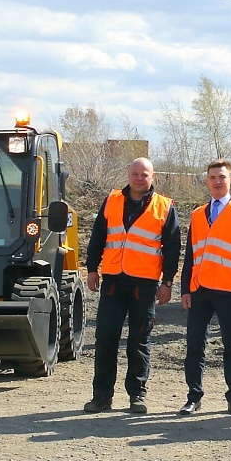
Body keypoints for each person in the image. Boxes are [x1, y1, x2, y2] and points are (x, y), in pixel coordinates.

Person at [84, 157, 181, 415]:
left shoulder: (164, 207)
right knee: (105, 339)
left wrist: (168, 282)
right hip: (114, 281)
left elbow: (173, 249)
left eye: (144, 174)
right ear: (128, 174)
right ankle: (101, 397)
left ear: (153, 177)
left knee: (139, 341)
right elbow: (97, 237)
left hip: (145, 285)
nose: (139, 178)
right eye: (135, 173)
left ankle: (137, 395)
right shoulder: (112, 200)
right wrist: (92, 268)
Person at [179, 159, 231, 417]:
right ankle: (194, 396)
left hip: (229, 290)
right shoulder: (197, 214)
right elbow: (191, 255)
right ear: (207, 180)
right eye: (213, 177)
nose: (217, 181)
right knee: (194, 345)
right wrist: (185, 290)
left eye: (222, 177)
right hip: (200, 290)